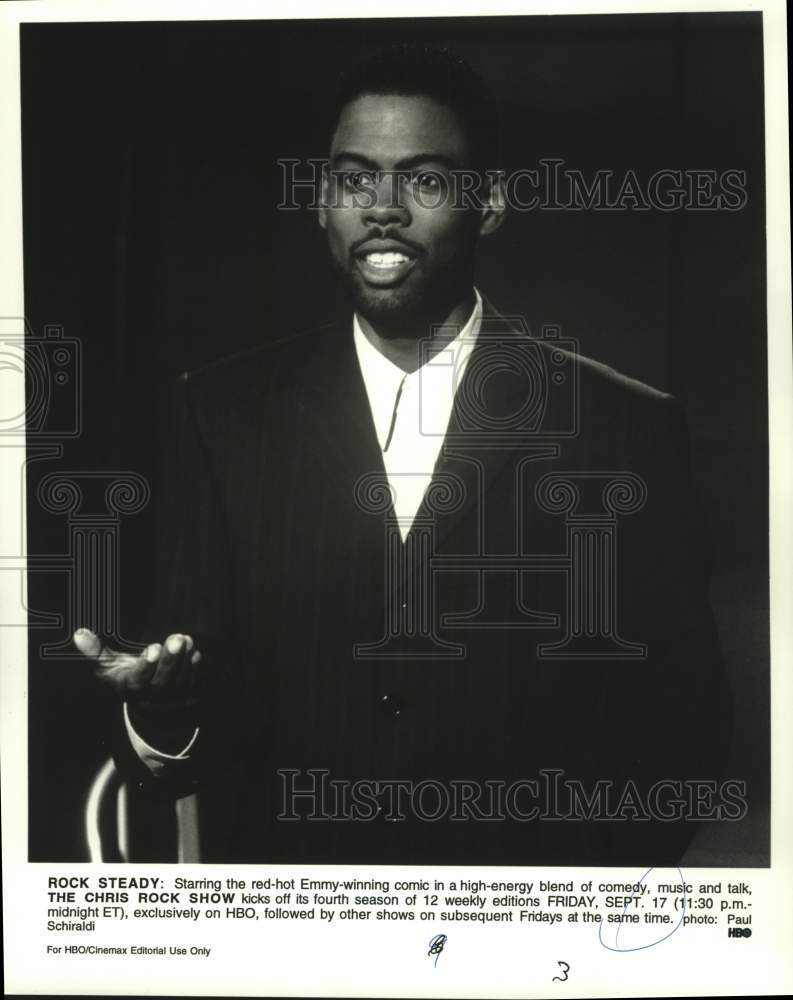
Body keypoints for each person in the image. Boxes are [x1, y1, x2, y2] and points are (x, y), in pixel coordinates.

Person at [73, 43, 731, 865]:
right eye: (354, 179)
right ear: (320, 202)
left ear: (486, 202)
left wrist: (552, 913)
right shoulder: (222, 412)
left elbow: (680, 732)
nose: (380, 209)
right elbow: (197, 712)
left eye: (422, 179)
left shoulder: (621, 428)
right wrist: (161, 711)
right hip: (298, 944)